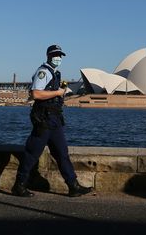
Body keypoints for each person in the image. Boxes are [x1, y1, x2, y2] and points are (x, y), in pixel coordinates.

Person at [12, 44, 92, 197]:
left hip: (55, 119)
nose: (58, 58)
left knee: (62, 153)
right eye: (56, 55)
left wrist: (61, 93)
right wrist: (57, 92)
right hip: (44, 119)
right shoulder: (43, 72)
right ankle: (19, 185)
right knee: (32, 153)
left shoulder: (55, 73)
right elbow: (35, 94)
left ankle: (73, 186)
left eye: (60, 55)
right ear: (48, 55)